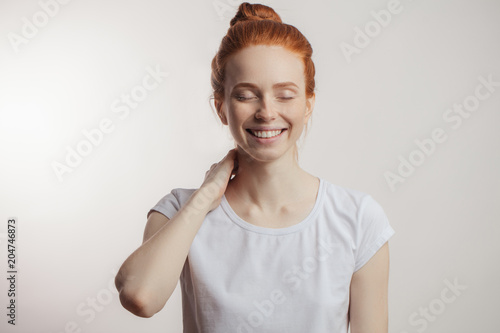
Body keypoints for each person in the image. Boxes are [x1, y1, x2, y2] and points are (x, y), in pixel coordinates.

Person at [115, 2, 395, 332]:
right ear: (221, 107)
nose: (266, 112)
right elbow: (140, 296)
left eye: (285, 95)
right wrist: (204, 198)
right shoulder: (179, 210)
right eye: (247, 95)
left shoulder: (358, 220)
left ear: (308, 105)